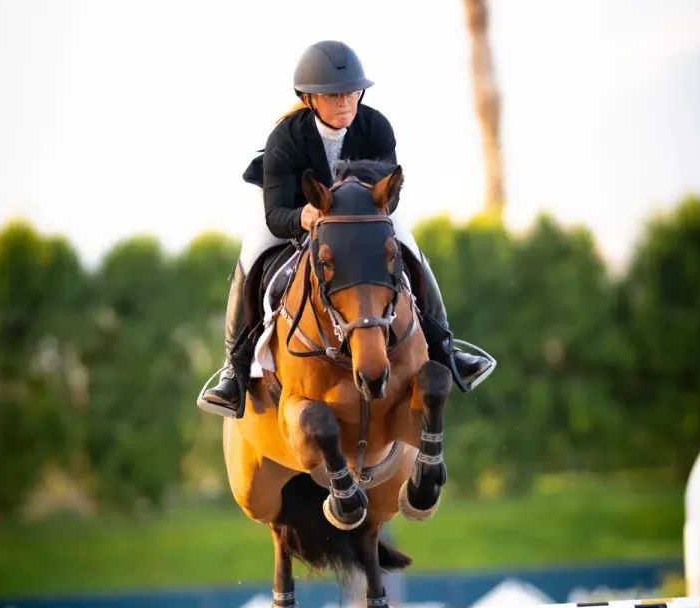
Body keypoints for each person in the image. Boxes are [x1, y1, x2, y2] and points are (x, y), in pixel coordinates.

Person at [199, 40, 496, 418]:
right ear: (309, 99)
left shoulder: (376, 126)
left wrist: (365, 214)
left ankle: (446, 347)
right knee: (252, 256)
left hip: (363, 215)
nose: (345, 104)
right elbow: (276, 214)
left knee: (410, 247)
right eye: (334, 95)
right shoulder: (285, 138)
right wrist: (301, 218)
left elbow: (390, 191)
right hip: (293, 208)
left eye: (351, 93)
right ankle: (234, 369)